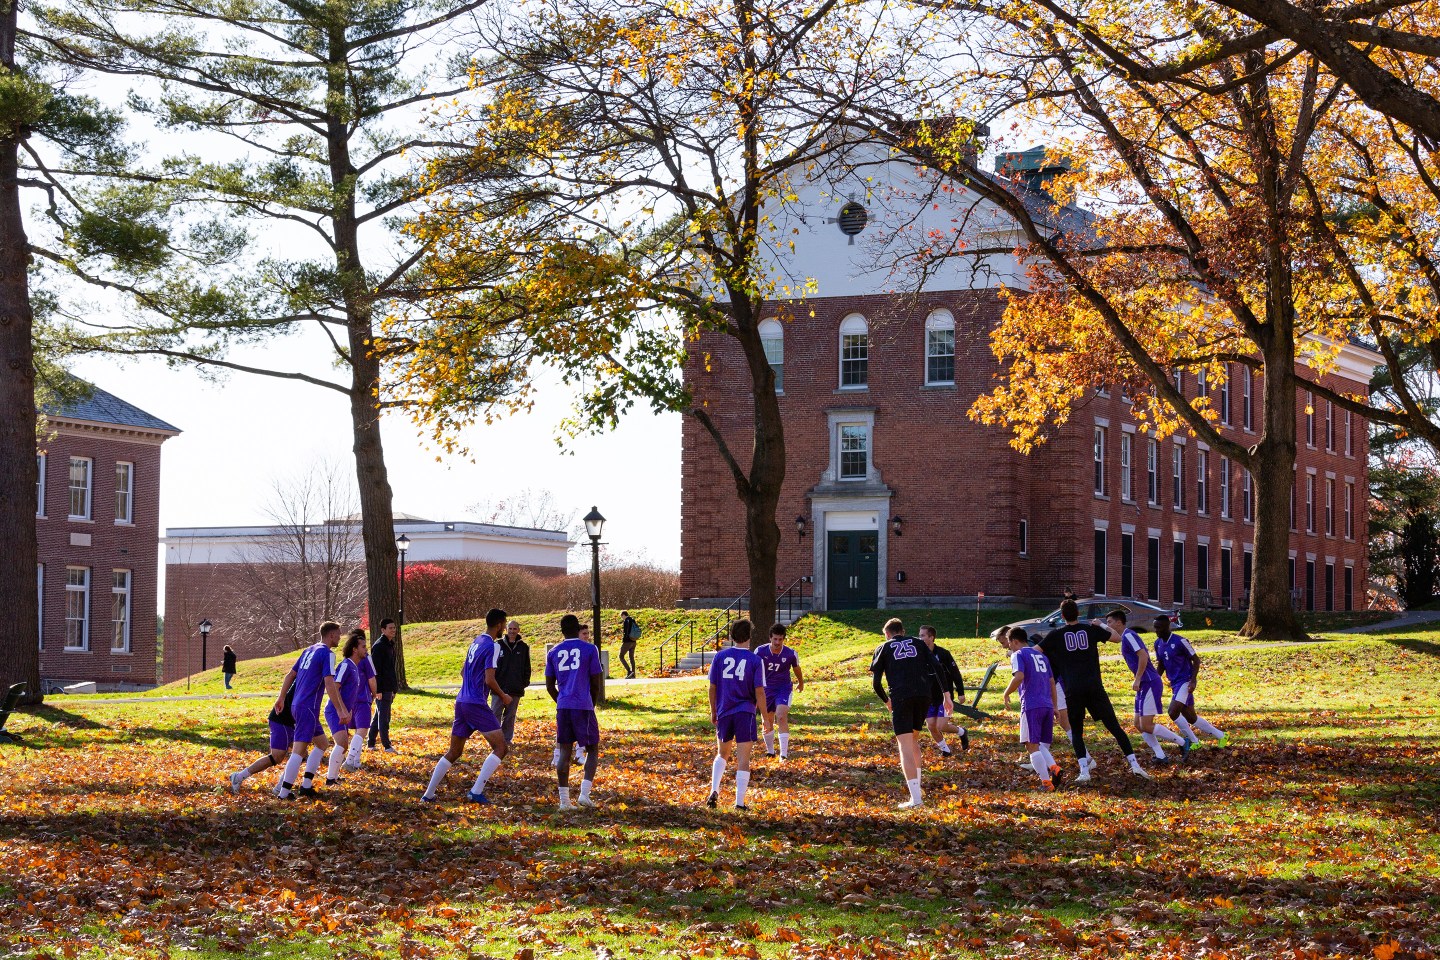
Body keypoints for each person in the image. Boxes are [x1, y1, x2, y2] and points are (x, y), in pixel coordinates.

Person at [1039, 599, 1150, 782]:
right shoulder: (1090, 629)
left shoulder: (1056, 635)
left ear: (1062, 616)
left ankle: (1084, 770)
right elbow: (1117, 637)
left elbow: (1036, 651)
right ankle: (1134, 764)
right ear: (1078, 613)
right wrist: (1102, 626)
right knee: (1114, 727)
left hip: (1073, 688)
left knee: (1076, 731)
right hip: (1094, 686)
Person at [422, 608, 512, 804]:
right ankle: (476, 791)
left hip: (461, 701)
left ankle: (428, 794)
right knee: (501, 747)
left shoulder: (476, 641)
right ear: (499, 625)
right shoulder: (493, 646)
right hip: (475, 704)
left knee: (454, 752)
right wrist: (503, 696)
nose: (505, 628)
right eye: (504, 624)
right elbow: (489, 679)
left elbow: (463, 672)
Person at [870, 617, 941, 810]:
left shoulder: (884, 647)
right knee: (914, 740)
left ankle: (916, 799)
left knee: (905, 746)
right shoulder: (918, 643)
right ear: (903, 631)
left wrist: (886, 701)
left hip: (901, 696)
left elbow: (876, 683)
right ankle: (917, 790)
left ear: (887, 634)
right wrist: (946, 695)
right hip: (923, 695)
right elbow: (937, 667)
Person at [276, 621, 350, 799]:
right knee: (298, 750)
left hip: (297, 705)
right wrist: (340, 710)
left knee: (322, 744)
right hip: (307, 707)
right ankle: (284, 793)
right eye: (338, 634)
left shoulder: (308, 650)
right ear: (331, 635)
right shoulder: (327, 654)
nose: (340, 637)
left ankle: (306, 785)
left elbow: (290, 675)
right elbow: (329, 683)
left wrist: (281, 697)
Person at [1107, 609, 1191, 763]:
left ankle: (1183, 742)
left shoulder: (1130, 635)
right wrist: (1100, 626)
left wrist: (1137, 679)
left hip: (1149, 682)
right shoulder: (1125, 637)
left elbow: (1143, 655)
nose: (1109, 625)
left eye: (1110, 622)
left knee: (1146, 724)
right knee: (1138, 724)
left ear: (1119, 622)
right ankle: (1160, 755)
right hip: (1144, 684)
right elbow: (1115, 638)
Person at [546, 615, 604, 810]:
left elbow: (549, 685)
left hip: (564, 706)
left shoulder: (553, 652)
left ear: (561, 630)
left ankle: (564, 801)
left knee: (564, 751)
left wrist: (562, 700)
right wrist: (591, 703)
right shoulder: (589, 649)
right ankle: (584, 794)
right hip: (583, 706)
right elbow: (596, 682)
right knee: (592, 748)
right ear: (577, 628)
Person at [707, 619, 766, 810]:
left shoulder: (720, 657)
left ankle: (713, 790)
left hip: (724, 710)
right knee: (743, 759)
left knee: (722, 754)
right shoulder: (755, 660)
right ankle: (739, 803)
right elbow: (759, 692)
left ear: (731, 636)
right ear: (749, 636)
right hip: (745, 712)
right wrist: (766, 717)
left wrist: (713, 710)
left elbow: (712, 687)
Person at [1001, 626, 1062, 790]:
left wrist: (1006, 693)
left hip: (1031, 704)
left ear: (1015, 641)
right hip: (1047, 704)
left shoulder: (1018, 654)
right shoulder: (1041, 656)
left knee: (1031, 745)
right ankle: (1054, 768)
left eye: (1009, 643)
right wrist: (1055, 706)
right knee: (1040, 744)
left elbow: (1019, 676)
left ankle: (1046, 782)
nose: (1009, 647)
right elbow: (1051, 683)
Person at [1153, 616, 1229, 747]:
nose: (1156, 630)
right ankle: (1221, 735)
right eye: (1155, 627)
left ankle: (1194, 742)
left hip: (1185, 681)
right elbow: (1161, 664)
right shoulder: (1157, 643)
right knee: (1190, 717)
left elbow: (1196, 660)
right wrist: (1154, 680)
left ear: (1167, 627)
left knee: (1172, 712)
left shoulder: (1181, 641)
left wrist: (1193, 680)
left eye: (1158, 627)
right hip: (1174, 683)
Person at [228, 667, 297, 794]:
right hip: (282, 719)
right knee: (277, 757)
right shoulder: (307, 675)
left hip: (289, 721)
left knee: (301, 754)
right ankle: (238, 777)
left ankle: (281, 787)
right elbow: (290, 676)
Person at [324, 630, 369, 786]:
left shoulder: (355, 668)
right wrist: (341, 709)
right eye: (363, 647)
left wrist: (348, 710)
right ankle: (330, 779)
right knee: (342, 744)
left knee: (343, 744)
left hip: (342, 711)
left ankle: (333, 777)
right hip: (333, 711)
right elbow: (335, 687)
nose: (366, 650)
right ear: (354, 649)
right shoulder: (346, 665)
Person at [919, 625, 970, 757]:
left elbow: (955, 673)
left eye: (923, 635)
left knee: (941, 726)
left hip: (943, 696)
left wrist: (961, 692)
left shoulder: (943, 654)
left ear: (931, 637)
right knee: (931, 726)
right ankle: (945, 750)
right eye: (920, 635)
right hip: (928, 697)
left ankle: (962, 732)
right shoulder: (919, 655)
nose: (920, 638)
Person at [756, 624, 803, 759]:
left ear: (783, 639)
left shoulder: (790, 653)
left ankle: (783, 755)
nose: (777, 642)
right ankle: (770, 751)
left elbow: (796, 668)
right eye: (775, 639)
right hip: (765, 689)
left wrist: (801, 682)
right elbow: (753, 670)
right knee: (768, 719)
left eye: (780, 639)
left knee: (781, 715)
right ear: (770, 638)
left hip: (783, 688)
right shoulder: (760, 651)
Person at [492, 620, 531, 746]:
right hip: (499, 688)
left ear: (518, 630)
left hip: (515, 688)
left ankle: (507, 740)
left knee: (510, 716)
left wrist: (523, 683)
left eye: (515, 629)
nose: (512, 631)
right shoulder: (497, 645)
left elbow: (527, 667)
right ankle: (494, 740)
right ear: (506, 630)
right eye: (510, 628)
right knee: (495, 714)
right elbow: (492, 666)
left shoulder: (523, 647)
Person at [369, 619, 399, 753]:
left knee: (378, 716)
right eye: (390, 628)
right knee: (384, 717)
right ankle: (386, 745)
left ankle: (370, 743)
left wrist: (394, 688)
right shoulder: (379, 646)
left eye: (394, 627)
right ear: (383, 630)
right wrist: (378, 690)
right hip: (382, 688)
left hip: (389, 687)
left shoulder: (390, 644)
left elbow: (391, 668)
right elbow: (375, 670)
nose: (393, 630)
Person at [619, 610, 640, 679]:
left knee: (621, 656)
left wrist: (624, 640)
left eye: (622, 616)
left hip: (627, 642)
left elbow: (626, 632)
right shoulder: (633, 620)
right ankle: (633, 674)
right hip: (634, 641)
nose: (622, 618)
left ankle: (629, 671)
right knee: (631, 657)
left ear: (624, 615)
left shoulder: (626, 621)